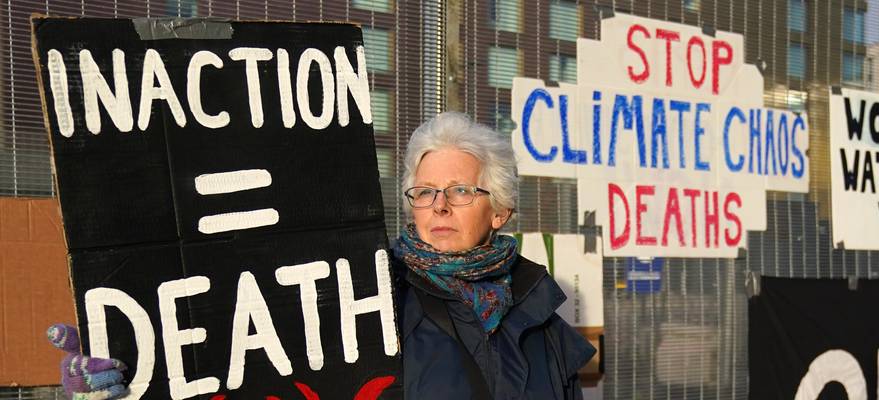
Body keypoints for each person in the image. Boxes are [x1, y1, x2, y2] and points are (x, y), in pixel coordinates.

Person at [48, 112, 596, 399]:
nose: (439, 205)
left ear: (499, 210)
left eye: (460, 190)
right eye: (426, 191)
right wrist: (132, 370)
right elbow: (242, 363)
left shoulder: (540, 313)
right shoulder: (361, 292)